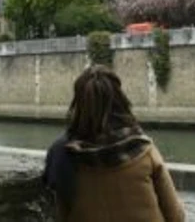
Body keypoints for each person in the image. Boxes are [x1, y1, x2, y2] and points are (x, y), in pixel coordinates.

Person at [43, 65, 185, 222]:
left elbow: (61, 213)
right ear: (120, 100)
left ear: (79, 105)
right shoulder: (144, 151)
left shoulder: (64, 156)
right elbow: (176, 215)